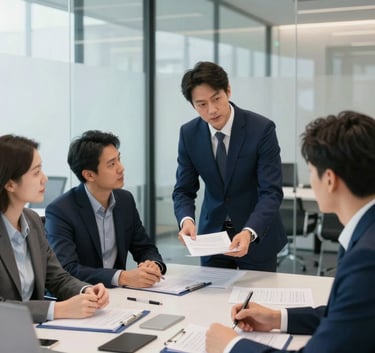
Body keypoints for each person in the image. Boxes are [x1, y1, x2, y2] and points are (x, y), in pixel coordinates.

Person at [206, 110, 375, 353]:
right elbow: (347, 316)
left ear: (329, 179)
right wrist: (278, 318)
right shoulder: (364, 234)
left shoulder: (366, 258)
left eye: (310, 171)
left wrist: (231, 346)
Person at [173, 61, 287, 271]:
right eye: (202, 104)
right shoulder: (189, 134)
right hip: (211, 239)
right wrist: (186, 220)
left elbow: (271, 192)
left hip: (255, 235)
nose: (212, 110)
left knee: (255, 301)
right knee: (211, 300)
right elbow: (183, 190)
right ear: (193, 105)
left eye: (216, 98)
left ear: (228, 91)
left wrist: (249, 231)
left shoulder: (261, 129)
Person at [0, 134, 109, 323]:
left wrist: (85, 291)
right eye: (36, 173)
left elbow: (57, 277)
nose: (44, 178)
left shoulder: (32, 221)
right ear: (10, 183)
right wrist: (56, 309)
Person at [45, 130, 167, 289]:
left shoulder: (125, 201)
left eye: (119, 160)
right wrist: (121, 277)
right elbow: (67, 269)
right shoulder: (61, 210)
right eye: (112, 164)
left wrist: (153, 264)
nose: (121, 168)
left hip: (121, 296)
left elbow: (144, 248)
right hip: (84, 298)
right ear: (89, 175)